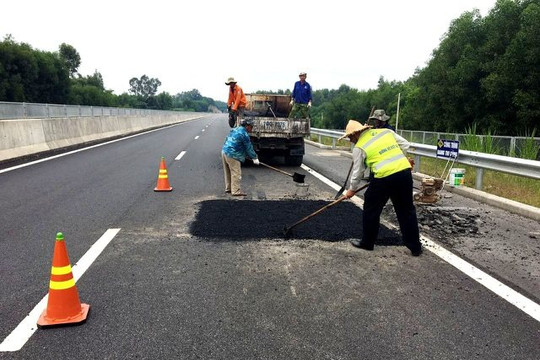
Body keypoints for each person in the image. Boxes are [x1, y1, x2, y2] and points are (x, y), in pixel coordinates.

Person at [339, 120, 423, 256]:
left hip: (384, 178)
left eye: (349, 137)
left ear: (355, 134)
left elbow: (358, 172)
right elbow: (405, 145)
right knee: (406, 210)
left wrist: (352, 190)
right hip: (404, 173)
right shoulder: (386, 132)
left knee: (371, 208)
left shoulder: (359, 147)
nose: (350, 140)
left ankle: (367, 242)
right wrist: (399, 159)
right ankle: (415, 247)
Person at [221, 118, 260, 196]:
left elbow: (226, 139)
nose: (252, 128)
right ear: (247, 126)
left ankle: (229, 188)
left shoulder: (235, 129)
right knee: (236, 173)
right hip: (233, 154)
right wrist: (255, 158)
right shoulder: (244, 134)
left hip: (224, 151)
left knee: (228, 172)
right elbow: (248, 148)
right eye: (251, 127)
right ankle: (236, 191)